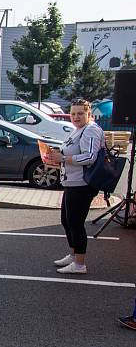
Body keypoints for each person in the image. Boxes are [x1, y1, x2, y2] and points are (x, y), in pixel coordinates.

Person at [46, 98, 105, 275]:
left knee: (76, 223)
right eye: (73, 113)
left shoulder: (91, 130)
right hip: (71, 182)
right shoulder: (78, 130)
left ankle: (80, 264)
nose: (76, 117)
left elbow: (90, 157)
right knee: (67, 221)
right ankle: (73, 255)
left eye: (80, 113)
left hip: (82, 184)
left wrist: (63, 159)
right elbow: (69, 152)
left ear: (89, 114)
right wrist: (54, 157)